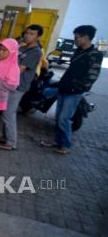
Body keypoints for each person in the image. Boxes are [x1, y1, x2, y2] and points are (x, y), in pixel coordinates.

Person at [41, 25, 103, 154]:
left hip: (74, 92)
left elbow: (92, 76)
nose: (75, 40)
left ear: (86, 37)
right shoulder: (78, 51)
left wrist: (77, 87)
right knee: (58, 117)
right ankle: (57, 141)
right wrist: (61, 84)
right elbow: (71, 70)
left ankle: (66, 145)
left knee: (64, 119)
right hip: (64, 88)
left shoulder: (95, 54)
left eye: (77, 37)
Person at [0, 25, 43, 150]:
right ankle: (4, 137)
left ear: (38, 36)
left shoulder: (36, 52)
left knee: (9, 113)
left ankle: (11, 142)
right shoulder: (22, 47)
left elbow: (19, 70)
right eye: (27, 33)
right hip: (9, 84)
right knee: (4, 111)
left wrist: (2, 76)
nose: (27, 36)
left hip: (18, 86)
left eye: (32, 34)